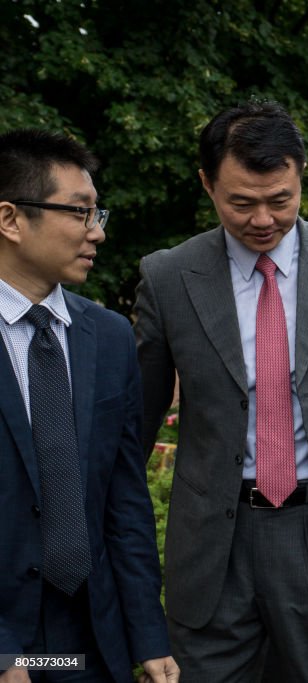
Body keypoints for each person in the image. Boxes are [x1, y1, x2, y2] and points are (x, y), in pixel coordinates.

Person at [134, 102, 308, 682]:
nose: (263, 218)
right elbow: (138, 422)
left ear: (302, 180)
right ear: (207, 184)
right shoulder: (168, 277)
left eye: (280, 200)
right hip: (216, 539)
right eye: (241, 202)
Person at [0, 130, 177, 682]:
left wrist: (148, 637)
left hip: (90, 641)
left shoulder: (108, 335)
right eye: (79, 213)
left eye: (98, 213)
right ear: (10, 219)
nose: (96, 232)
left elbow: (125, 499)